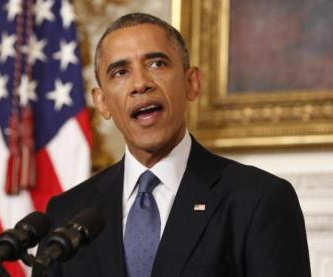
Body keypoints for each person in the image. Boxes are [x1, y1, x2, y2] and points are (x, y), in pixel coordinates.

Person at [34, 13, 311, 277]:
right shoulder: (66, 213)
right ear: (102, 102)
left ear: (192, 83)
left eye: (156, 64)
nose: (140, 83)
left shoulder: (258, 200)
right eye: (120, 72)